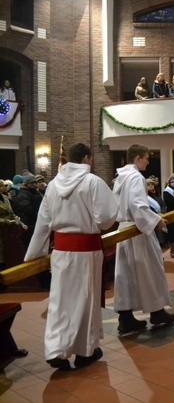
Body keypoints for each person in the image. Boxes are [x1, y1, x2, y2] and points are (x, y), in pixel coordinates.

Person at [24, 143, 118, 370]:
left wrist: (33, 255)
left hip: (61, 253)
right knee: (86, 300)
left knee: (60, 300)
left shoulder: (53, 185)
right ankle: (86, 351)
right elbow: (106, 218)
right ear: (87, 158)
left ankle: (56, 349)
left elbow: (43, 223)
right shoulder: (92, 182)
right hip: (86, 252)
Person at [113, 144, 174, 333]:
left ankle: (125, 318)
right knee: (150, 270)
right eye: (146, 158)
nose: (148, 162)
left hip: (124, 229)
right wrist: (156, 221)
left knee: (125, 275)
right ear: (138, 158)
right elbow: (138, 206)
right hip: (136, 230)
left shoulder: (120, 177)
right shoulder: (136, 177)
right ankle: (157, 312)